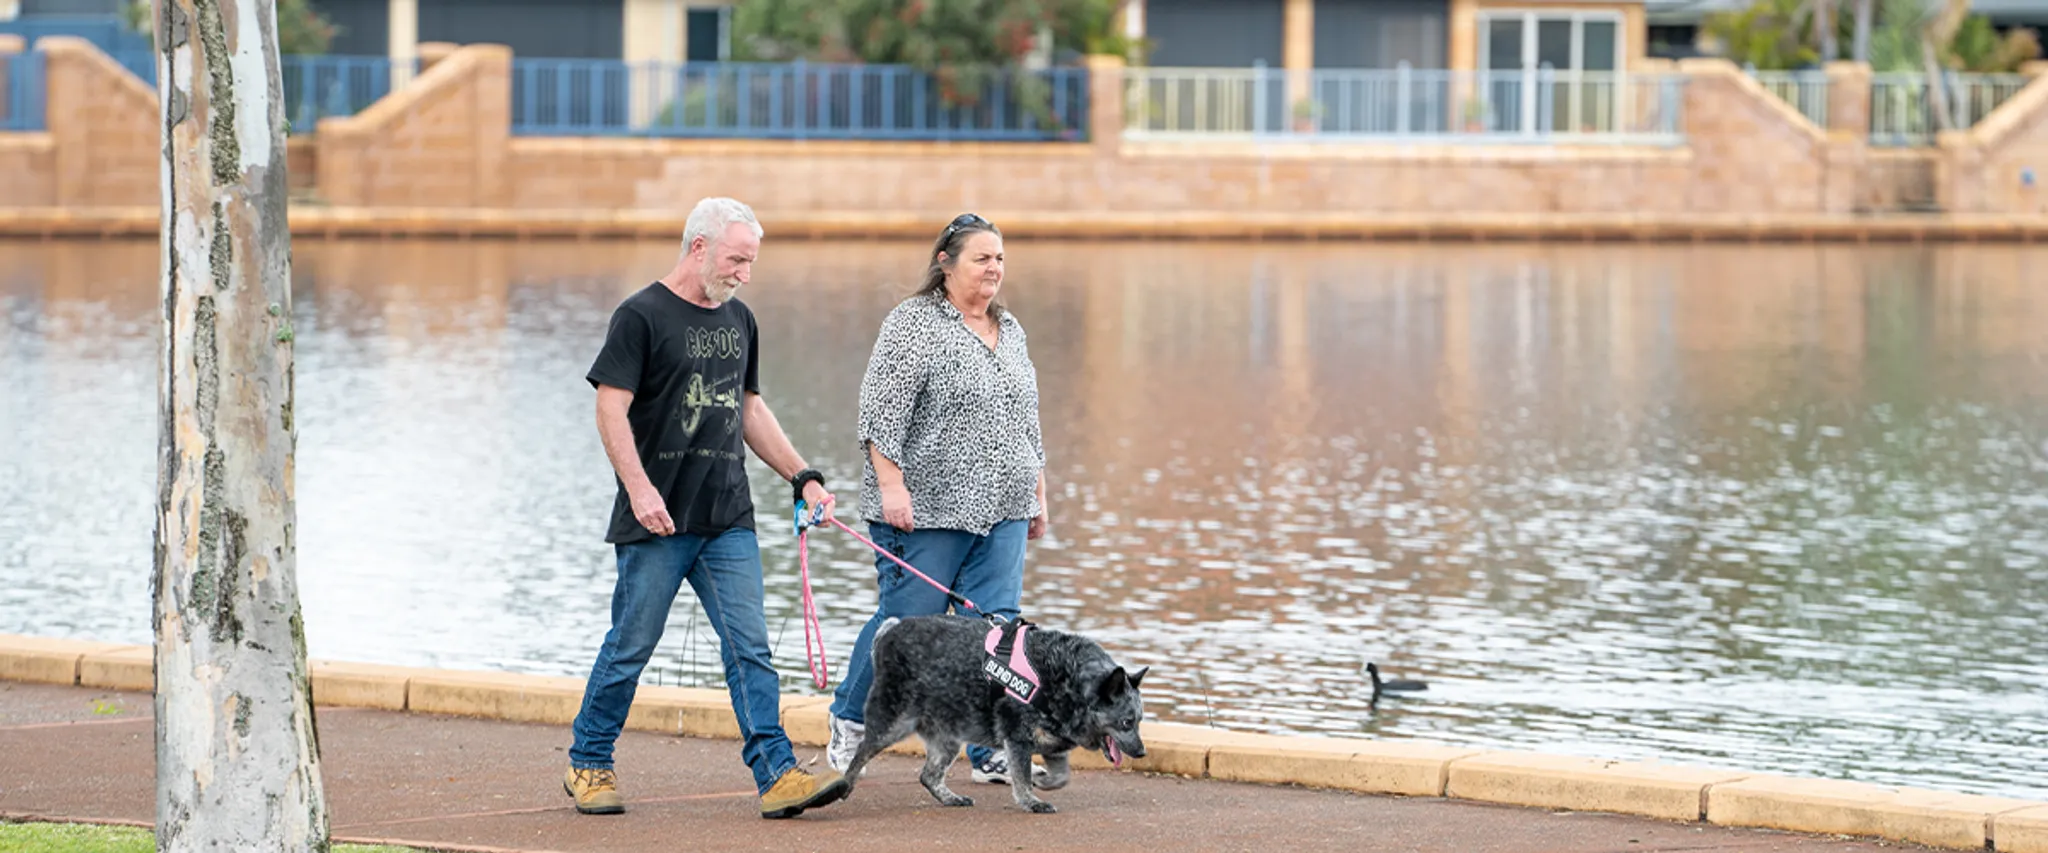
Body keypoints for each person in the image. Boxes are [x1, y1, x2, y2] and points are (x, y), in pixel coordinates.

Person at [563, 196, 850, 820]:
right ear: (699, 247)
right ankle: (588, 760)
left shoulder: (739, 318)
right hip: (657, 520)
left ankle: (776, 775)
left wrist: (803, 476)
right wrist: (640, 490)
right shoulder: (639, 315)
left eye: (751, 262)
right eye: (736, 259)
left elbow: (748, 408)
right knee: (631, 645)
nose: (745, 273)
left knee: (750, 649)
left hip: (727, 519)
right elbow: (610, 407)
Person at [823, 212, 1053, 786]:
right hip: (927, 509)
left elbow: (1028, 418)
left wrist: (1038, 492)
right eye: (982, 257)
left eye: (1000, 257)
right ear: (945, 265)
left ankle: (989, 748)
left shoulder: (1012, 328)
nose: (994, 267)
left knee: (996, 631)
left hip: (1004, 505)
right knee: (908, 623)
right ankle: (850, 719)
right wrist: (893, 486)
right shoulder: (914, 323)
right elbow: (880, 414)